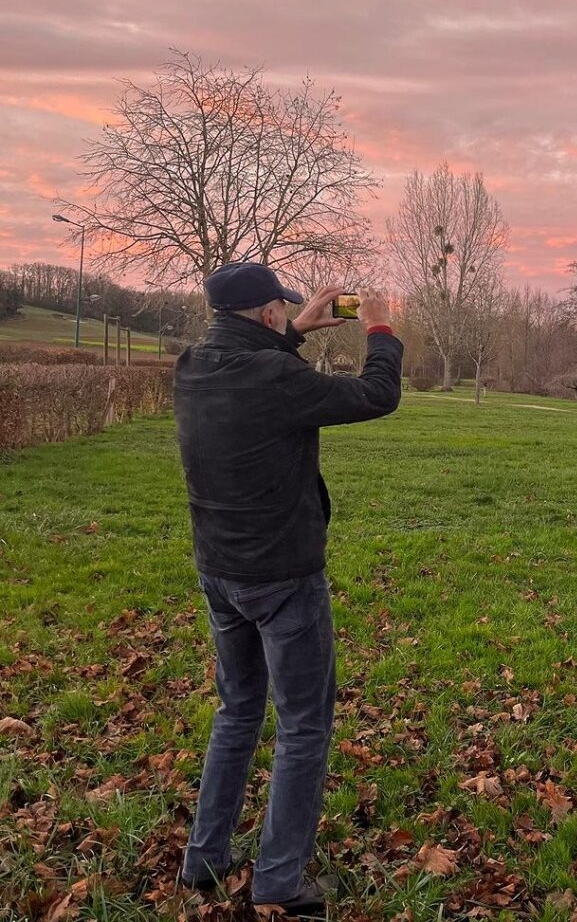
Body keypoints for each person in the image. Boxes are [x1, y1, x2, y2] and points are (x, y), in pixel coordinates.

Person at [173, 262, 403, 917]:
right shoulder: (278, 378)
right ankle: (279, 882)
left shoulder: (192, 364)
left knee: (238, 712)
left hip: (220, 571)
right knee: (304, 727)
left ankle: (205, 858)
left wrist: (294, 331)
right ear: (268, 311)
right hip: (283, 577)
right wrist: (381, 326)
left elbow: (254, 368)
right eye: (284, 308)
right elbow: (376, 394)